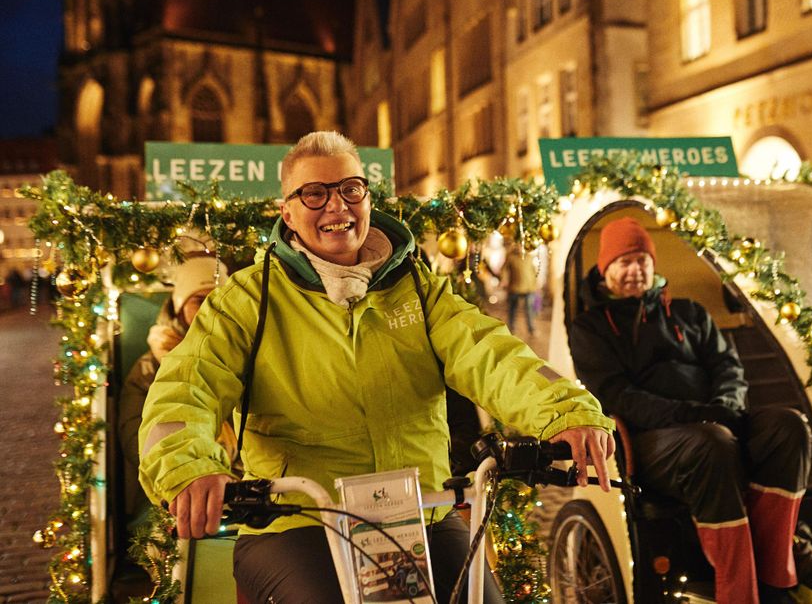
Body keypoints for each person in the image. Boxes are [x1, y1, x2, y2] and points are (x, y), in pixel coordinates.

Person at [138, 131, 615, 604]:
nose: (337, 206)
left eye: (351, 188)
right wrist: (188, 467)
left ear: (367, 196)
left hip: (420, 512)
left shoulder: (418, 290)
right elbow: (187, 386)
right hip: (297, 521)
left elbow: (489, 352)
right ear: (287, 212)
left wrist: (565, 411)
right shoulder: (247, 299)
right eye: (314, 193)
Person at [568, 217, 812, 604]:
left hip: (714, 421)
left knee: (789, 427)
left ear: (653, 264)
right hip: (652, 441)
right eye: (624, 262)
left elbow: (727, 366)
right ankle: (738, 592)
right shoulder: (591, 328)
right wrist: (693, 415)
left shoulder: (689, 313)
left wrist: (727, 406)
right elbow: (617, 395)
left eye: (641, 260)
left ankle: (772, 573)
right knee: (711, 443)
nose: (635, 270)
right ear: (605, 270)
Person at [118, 254, 230, 523]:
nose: (209, 308)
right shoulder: (150, 367)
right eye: (199, 300)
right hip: (172, 485)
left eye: (218, 299)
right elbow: (135, 437)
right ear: (179, 308)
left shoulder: (244, 352)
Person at [502, 244, 539, 336]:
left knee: (529, 310)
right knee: (512, 309)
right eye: (517, 245)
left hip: (529, 288)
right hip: (515, 288)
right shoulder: (511, 257)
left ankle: (531, 329)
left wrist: (535, 284)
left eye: (521, 245)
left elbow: (534, 272)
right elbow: (504, 270)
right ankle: (511, 328)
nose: (519, 247)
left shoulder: (529, 257)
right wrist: (504, 280)